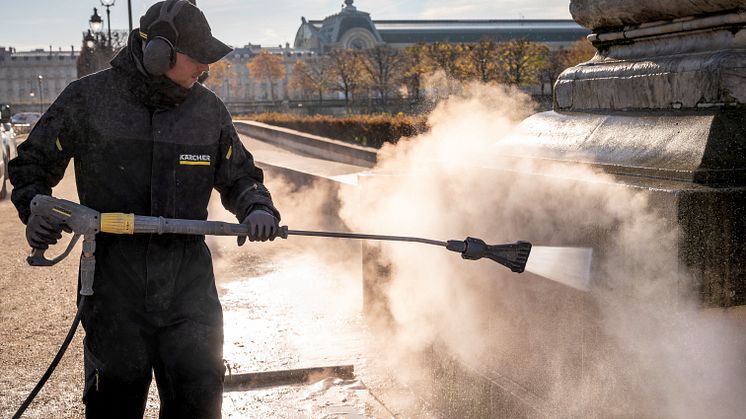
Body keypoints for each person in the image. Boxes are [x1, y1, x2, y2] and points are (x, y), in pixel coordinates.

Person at [9, 1, 280, 417]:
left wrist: (257, 208)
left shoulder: (207, 111)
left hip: (190, 290)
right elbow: (31, 166)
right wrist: (35, 208)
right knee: (114, 402)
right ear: (160, 52)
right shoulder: (88, 100)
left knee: (198, 402)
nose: (205, 69)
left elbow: (240, 176)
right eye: (198, 57)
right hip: (114, 289)